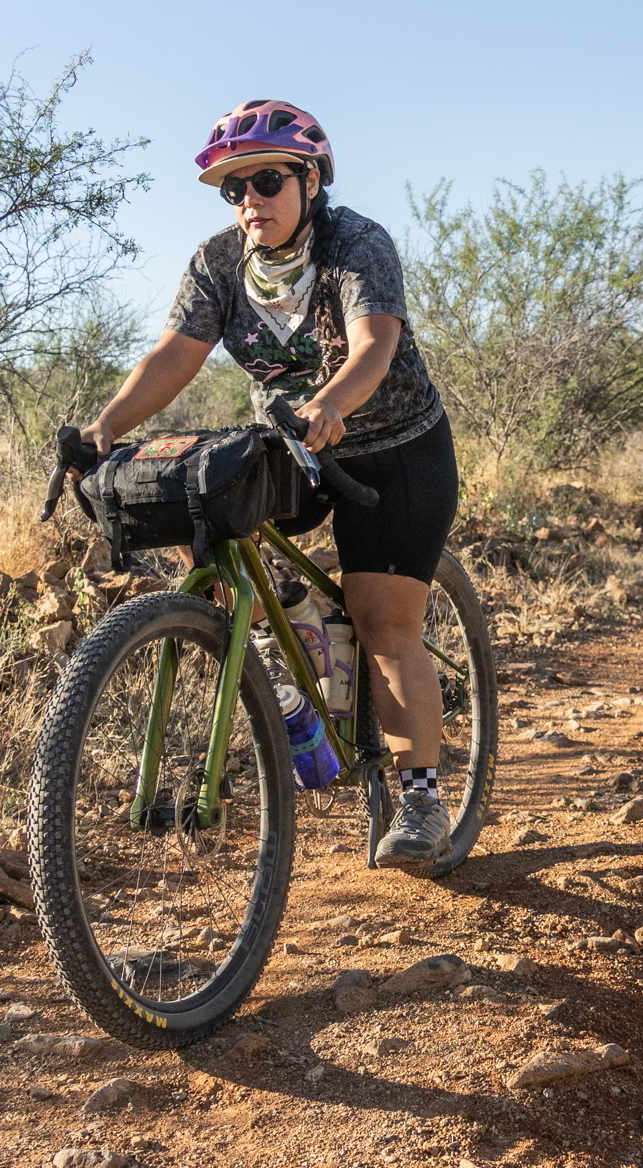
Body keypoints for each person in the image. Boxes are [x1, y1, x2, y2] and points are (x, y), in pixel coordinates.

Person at [76, 100, 458, 871]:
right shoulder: (218, 261)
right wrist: (104, 427)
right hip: (289, 441)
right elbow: (175, 356)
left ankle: (421, 797)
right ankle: (296, 644)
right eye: (233, 188)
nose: (249, 200)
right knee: (209, 522)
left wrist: (332, 402)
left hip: (394, 450)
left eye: (267, 181)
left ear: (310, 180)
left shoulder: (356, 244)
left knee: (384, 621)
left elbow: (375, 344)